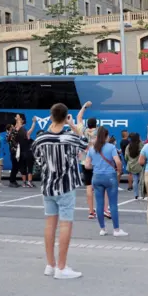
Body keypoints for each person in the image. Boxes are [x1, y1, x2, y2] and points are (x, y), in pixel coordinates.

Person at [32, 103, 88, 279]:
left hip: (48, 186)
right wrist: (72, 125)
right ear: (65, 117)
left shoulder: (40, 139)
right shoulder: (70, 138)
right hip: (66, 185)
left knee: (50, 224)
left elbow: (38, 159)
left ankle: (50, 264)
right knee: (65, 224)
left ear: (50, 117)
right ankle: (62, 267)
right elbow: (85, 142)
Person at [85, 126, 128, 237]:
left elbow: (87, 165)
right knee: (113, 204)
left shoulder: (92, 149)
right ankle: (116, 230)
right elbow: (118, 161)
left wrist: (96, 166)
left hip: (97, 177)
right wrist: (119, 171)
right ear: (106, 136)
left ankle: (103, 229)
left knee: (99, 204)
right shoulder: (111, 147)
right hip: (110, 176)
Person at [14, 114, 37, 188]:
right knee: (29, 168)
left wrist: (17, 120)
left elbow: (17, 127)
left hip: (21, 153)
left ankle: (24, 183)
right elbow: (31, 129)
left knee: (23, 168)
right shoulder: (26, 135)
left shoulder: (17, 134)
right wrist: (34, 122)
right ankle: (29, 182)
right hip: (28, 153)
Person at [125, 132, 145, 200]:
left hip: (132, 165)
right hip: (140, 165)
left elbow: (126, 157)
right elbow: (144, 154)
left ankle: (136, 195)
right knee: (142, 180)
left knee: (135, 180)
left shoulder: (128, 146)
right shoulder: (141, 145)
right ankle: (142, 194)